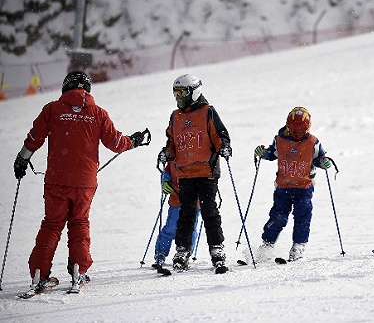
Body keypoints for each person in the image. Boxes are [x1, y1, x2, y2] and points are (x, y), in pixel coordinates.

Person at [14, 71, 146, 292]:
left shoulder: (52, 109)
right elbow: (115, 142)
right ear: (87, 89)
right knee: (79, 223)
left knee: (52, 224)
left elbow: (35, 137)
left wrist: (22, 158)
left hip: (57, 180)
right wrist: (133, 141)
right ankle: (79, 270)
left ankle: (39, 274)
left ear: (66, 88)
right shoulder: (98, 113)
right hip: (85, 182)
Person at [157, 74, 232, 274]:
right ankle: (182, 250)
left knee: (209, 211)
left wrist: (224, 147)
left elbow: (218, 135)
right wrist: (166, 153)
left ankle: (217, 248)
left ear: (194, 91)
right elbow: (172, 143)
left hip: (206, 171)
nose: (178, 97)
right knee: (186, 213)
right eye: (176, 93)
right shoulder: (175, 116)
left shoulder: (208, 112)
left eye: (182, 92)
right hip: (185, 173)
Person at [253, 107, 333, 262]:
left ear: (307, 129)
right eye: (293, 132)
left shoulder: (313, 142)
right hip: (283, 187)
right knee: (278, 217)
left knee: (303, 216)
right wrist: (262, 153)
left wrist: (324, 162)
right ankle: (267, 246)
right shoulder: (280, 140)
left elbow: (319, 158)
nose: (297, 135)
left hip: (304, 188)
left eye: (301, 132)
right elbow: (272, 153)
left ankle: (298, 246)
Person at [152, 161, 202, 269]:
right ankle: (160, 253)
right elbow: (167, 171)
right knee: (171, 228)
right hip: (177, 199)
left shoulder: (199, 153)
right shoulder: (175, 153)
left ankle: (186, 254)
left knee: (191, 229)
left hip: (195, 202)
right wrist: (165, 180)